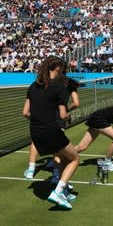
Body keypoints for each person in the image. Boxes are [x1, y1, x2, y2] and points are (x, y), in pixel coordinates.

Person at [22, 55, 79, 210]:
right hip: (51, 130)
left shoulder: (33, 86)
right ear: (58, 68)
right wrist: (68, 117)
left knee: (63, 157)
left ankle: (65, 190)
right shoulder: (59, 87)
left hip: (35, 131)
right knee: (74, 159)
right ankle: (58, 192)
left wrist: (40, 119)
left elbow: (25, 112)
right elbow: (62, 115)